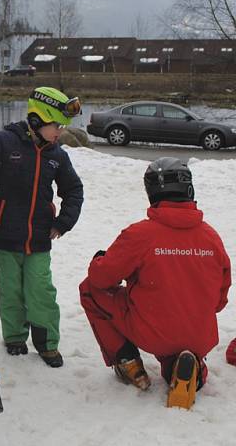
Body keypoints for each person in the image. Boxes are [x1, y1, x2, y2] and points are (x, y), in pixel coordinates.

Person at [0, 87, 84, 368]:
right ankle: (15, 337)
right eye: (56, 125)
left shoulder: (56, 154)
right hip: (4, 235)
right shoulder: (4, 143)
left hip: (39, 238)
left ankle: (47, 343)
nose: (60, 131)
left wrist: (63, 222)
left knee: (41, 291)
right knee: (11, 291)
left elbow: (74, 190)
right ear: (36, 120)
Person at [79, 157, 230, 409]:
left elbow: (101, 279)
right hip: (200, 332)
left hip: (153, 330)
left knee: (89, 289)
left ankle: (127, 362)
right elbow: (220, 300)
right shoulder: (211, 237)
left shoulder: (141, 235)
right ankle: (191, 369)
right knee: (181, 341)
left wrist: (100, 261)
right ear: (189, 190)